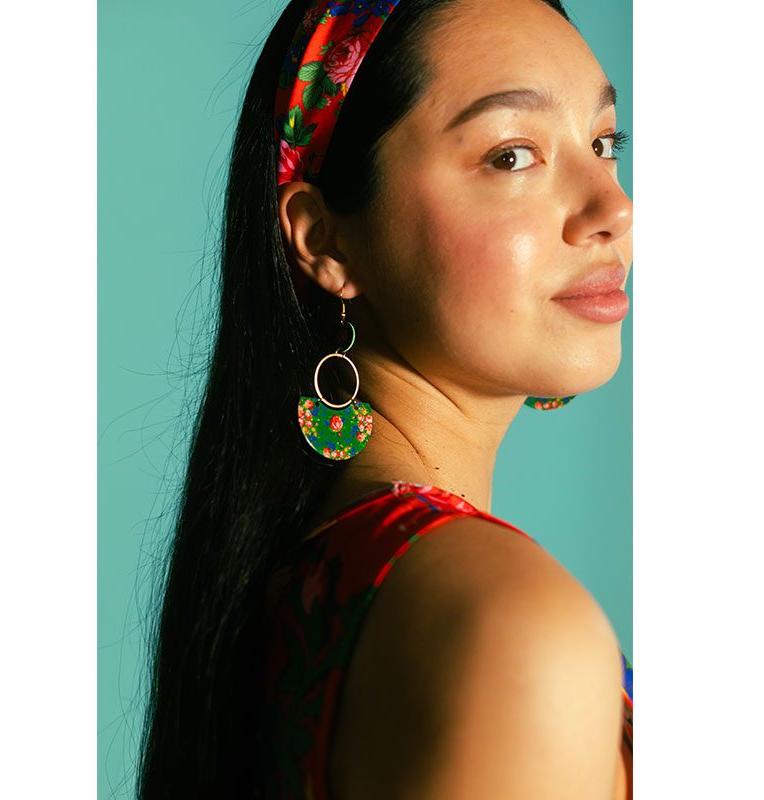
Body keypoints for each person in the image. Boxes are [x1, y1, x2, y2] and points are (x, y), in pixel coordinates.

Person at [136, 1, 633, 798]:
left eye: (605, 144)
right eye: (512, 155)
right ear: (325, 239)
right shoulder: (511, 625)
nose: (614, 208)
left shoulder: (305, 583)